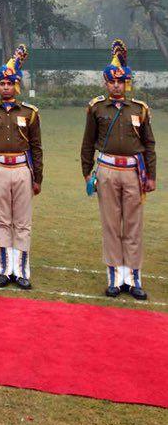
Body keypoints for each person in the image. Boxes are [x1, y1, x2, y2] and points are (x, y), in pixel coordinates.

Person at [81, 39, 157, 300]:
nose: (116, 85)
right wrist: (87, 172)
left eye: (120, 81)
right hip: (107, 171)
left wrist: (152, 176)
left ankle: (133, 278)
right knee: (111, 225)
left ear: (127, 83)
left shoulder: (139, 109)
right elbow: (87, 142)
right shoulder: (97, 108)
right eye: (112, 81)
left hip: (134, 173)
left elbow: (149, 144)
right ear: (105, 82)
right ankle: (114, 278)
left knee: (133, 226)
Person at [0, 46, 43, 290]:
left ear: (17, 85)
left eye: (9, 83)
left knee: (22, 222)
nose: (5, 87)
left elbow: (37, 147)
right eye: (1, 83)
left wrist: (38, 178)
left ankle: (22, 271)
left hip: (23, 170)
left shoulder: (29, 113)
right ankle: (4, 270)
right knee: (2, 220)